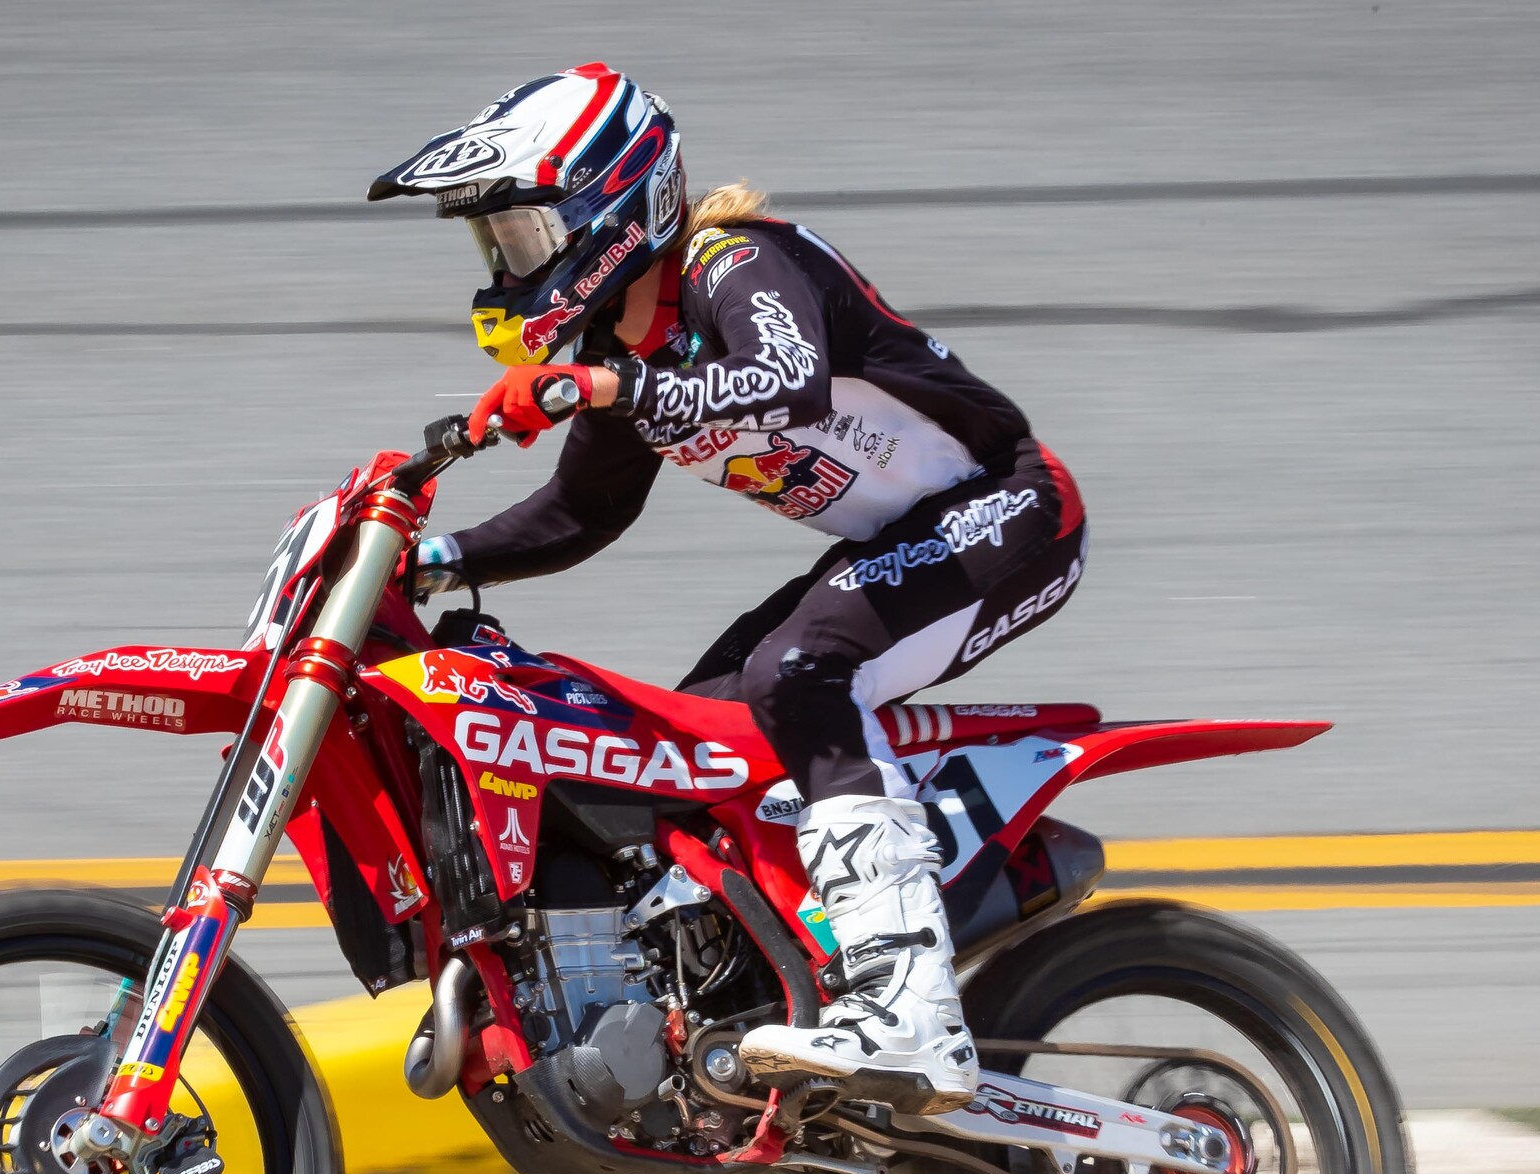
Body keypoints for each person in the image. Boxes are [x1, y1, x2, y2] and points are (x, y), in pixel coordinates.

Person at [369, 64, 1087, 1114]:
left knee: (800, 671)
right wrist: (435, 559)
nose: (508, 261)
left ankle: (916, 1012)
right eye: (498, 242)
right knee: (695, 735)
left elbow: (781, 375)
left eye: (522, 233)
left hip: (1010, 510)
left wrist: (602, 386)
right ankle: (771, 990)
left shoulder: (734, 262)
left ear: (609, 204)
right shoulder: (626, 342)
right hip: (900, 543)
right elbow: (581, 514)